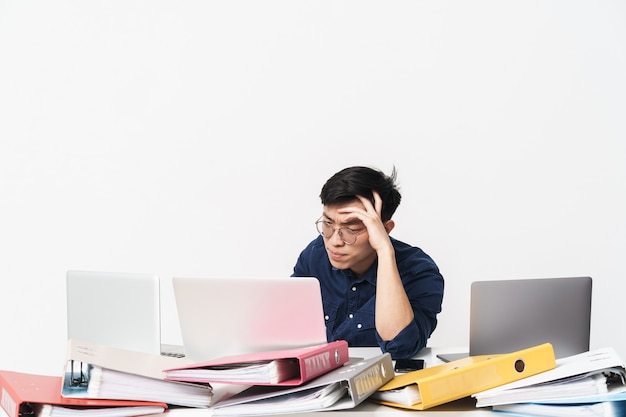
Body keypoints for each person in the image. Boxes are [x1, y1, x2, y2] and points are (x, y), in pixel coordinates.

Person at [292, 166, 444, 359]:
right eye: (328, 224)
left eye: (351, 230)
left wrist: (384, 250)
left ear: (384, 229)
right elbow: (288, 327)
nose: (335, 241)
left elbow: (400, 348)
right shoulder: (315, 255)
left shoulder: (419, 271)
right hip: (321, 382)